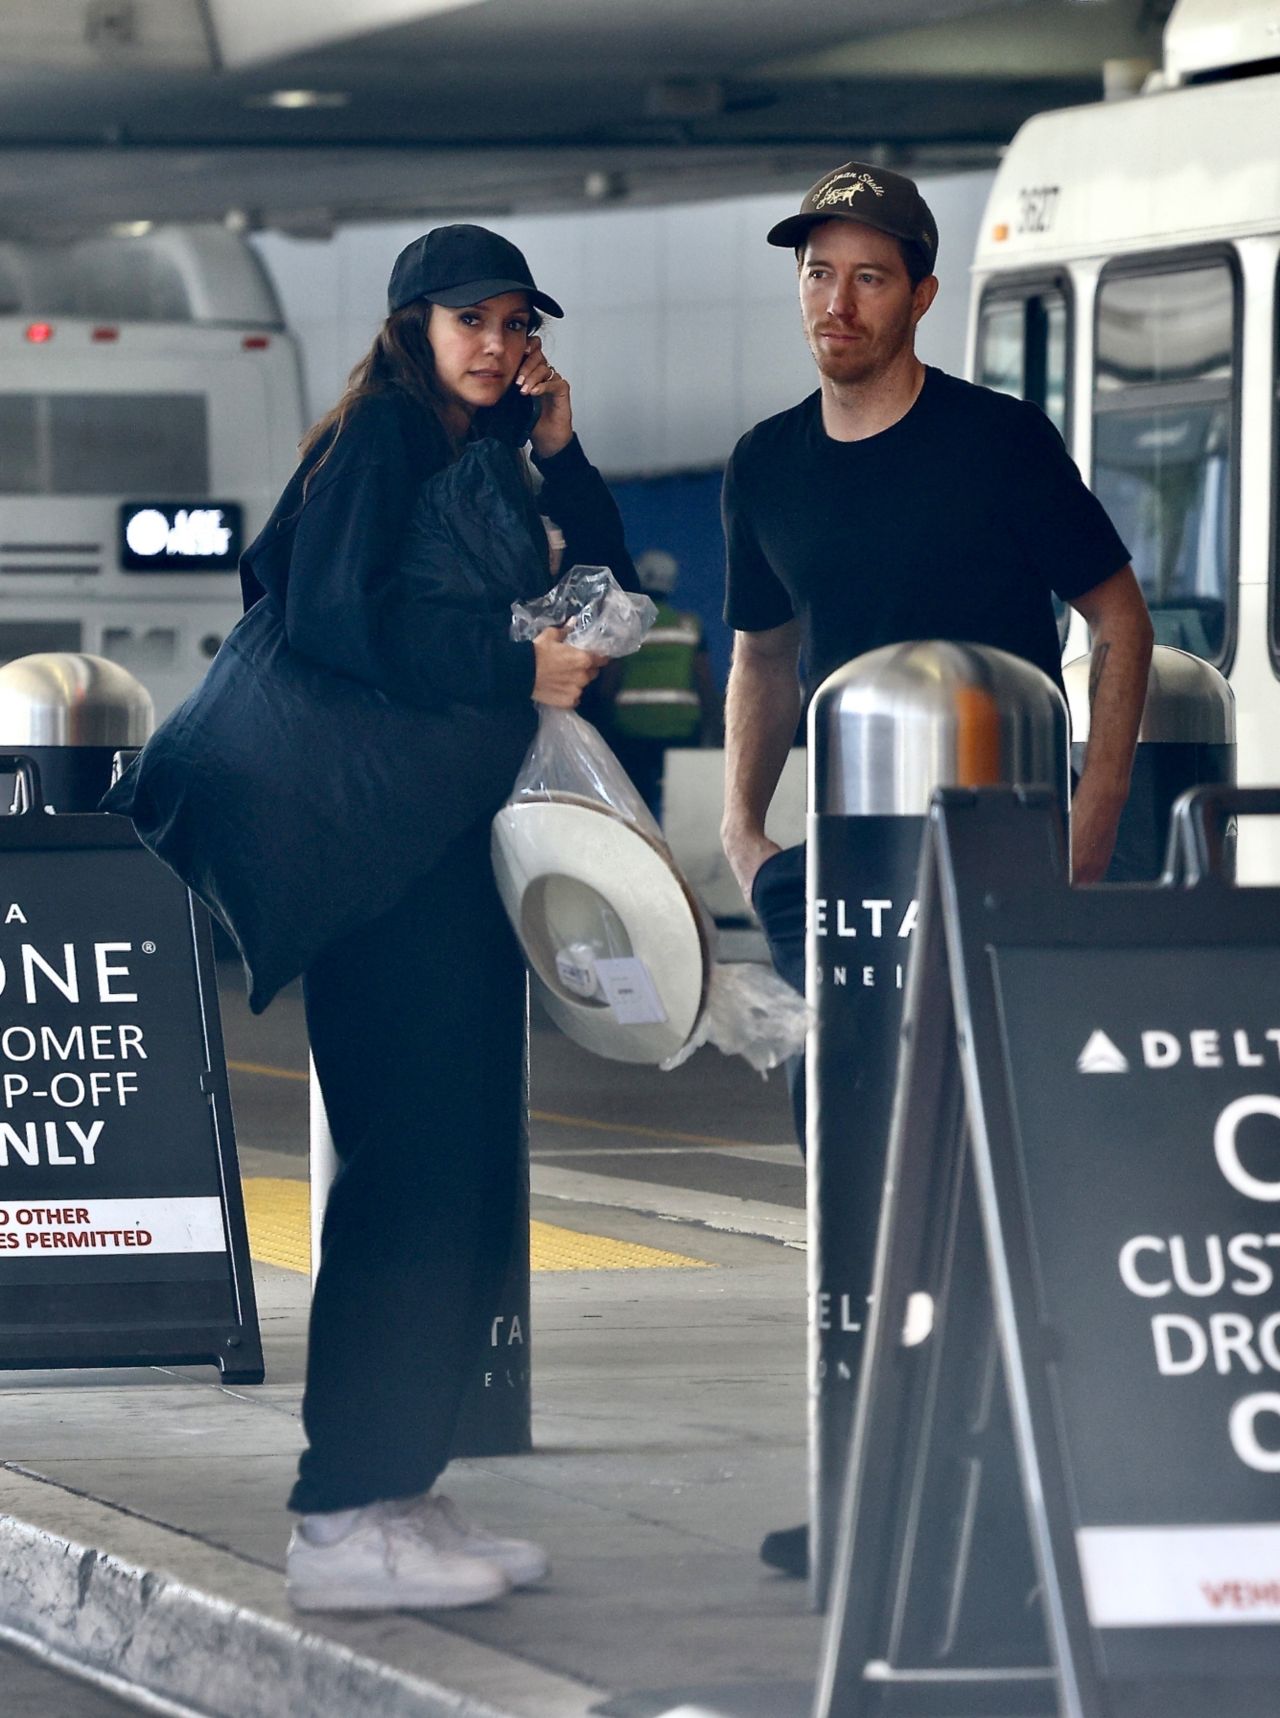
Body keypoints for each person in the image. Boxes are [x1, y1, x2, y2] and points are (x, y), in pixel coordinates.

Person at [719, 162, 1153, 1576]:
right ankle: (874, 1490)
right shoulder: (766, 463)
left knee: (987, 1186)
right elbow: (766, 650)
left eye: (865, 276)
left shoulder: (998, 443)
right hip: (840, 869)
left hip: (993, 856)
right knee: (864, 1171)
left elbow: (1119, 620)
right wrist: (742, 823)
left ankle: (1017, 1494)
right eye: (814, 273)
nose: (834, 303)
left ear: (920, 291)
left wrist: (1083, 833)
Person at [235, 224, 636, 1612]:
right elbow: (327, 613)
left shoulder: (487, 457)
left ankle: (398, 1484)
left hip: (453, 862)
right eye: (470, 319)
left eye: (516, 321)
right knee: (406, 1188)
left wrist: (565, 456)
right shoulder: (377, 444)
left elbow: (609, 591)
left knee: (454, 1185)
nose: (496, 342)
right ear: (413, 323)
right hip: (377, 868)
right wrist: (504, 655)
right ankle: (342, 1514)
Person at [603, 548, 723, 817]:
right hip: (682, 730)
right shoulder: (689, 625)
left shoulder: (626, 625)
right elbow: (704, 682)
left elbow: (608, 683)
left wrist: (602, 721)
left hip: (631, 729)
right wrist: (714, 728)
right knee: (682, 808)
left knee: (636, 805)